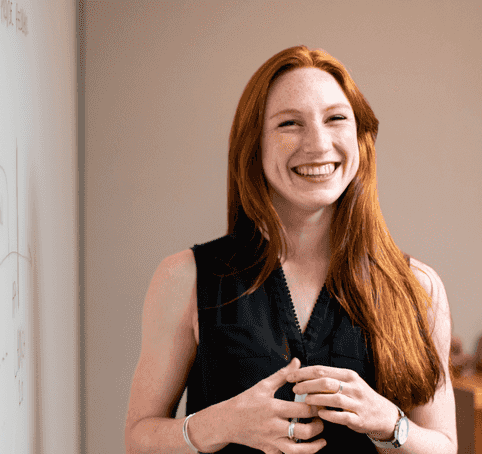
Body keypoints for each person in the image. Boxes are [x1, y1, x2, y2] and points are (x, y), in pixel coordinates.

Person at [124, 46, 456, 453]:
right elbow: (138, 440)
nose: (318, 144)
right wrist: (222, 423)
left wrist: (389, 423)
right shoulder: (184, 279)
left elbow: (444, 447)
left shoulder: (418, 288)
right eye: (289, 124)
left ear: (360, 137)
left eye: (336, 119)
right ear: (254, 146)